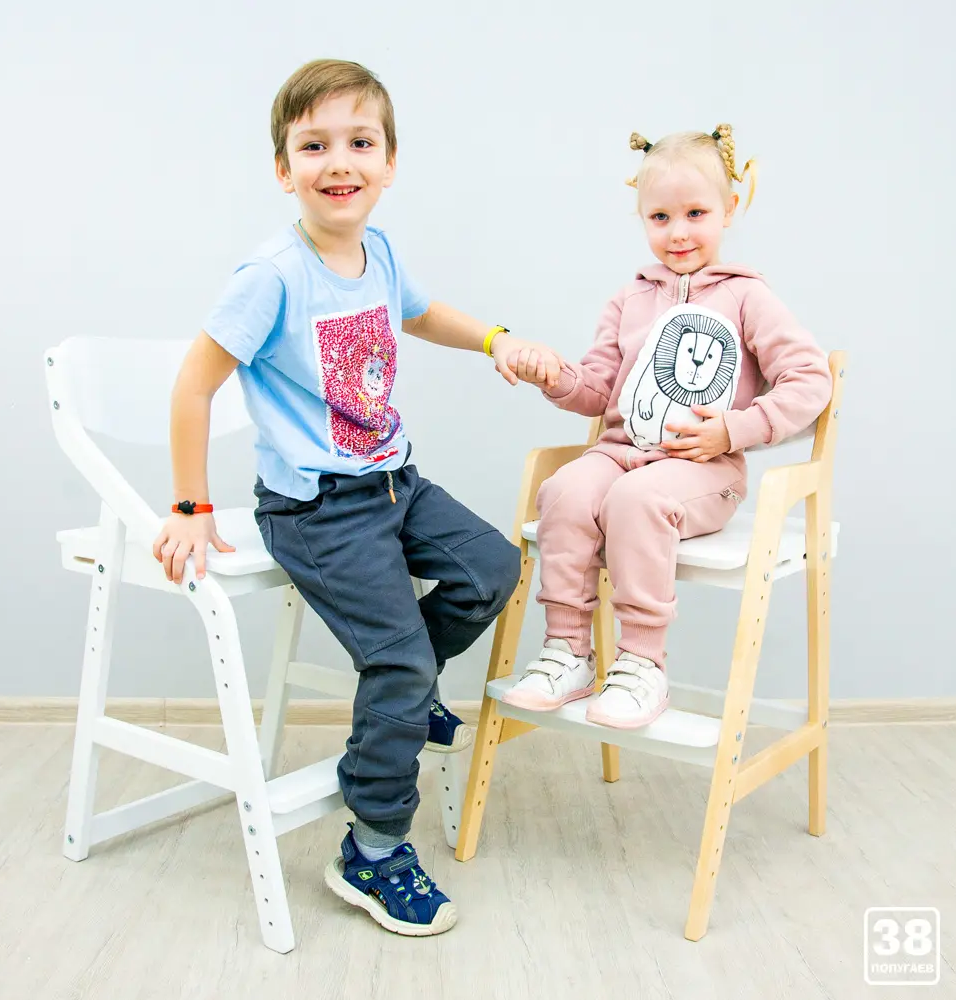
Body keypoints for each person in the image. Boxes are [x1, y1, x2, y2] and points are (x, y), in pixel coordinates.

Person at [152, 58, 562, 936]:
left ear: (389, 161)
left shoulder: (379, 252)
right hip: (317, 509)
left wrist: (495, 339)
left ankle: (410, 697)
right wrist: (190, 505)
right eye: (314, 146)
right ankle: (372, 849)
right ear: (283, 169)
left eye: (359, 142)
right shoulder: (272, 275)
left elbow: (420, 312)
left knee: (493, 568)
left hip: (393, 482)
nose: (339, 161)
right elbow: (194, 385)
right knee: (399, 661)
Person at [501, 124, 832, 730]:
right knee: (564, 490)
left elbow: (809, 381)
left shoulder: (747, 297)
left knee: (637, 498)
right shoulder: (629, 299)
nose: (678, 232)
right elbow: (599, 391)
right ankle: (568, 651)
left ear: (730, 208)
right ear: (642, 218)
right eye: (660, 217)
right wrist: (555, 378)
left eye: (695, 213)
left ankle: (642, 664)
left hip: (703, 470)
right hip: (621, 451)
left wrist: (734, 429)